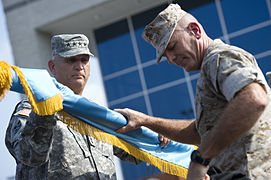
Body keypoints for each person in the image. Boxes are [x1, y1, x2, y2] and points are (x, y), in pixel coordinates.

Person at [115, 4, 271, 180]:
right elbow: (200, 132)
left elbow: (254, 99)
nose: (172, 59)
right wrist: (145, 121)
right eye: (166, 56)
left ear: (195, 30)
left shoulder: (218, 58)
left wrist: (200, 159)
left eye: (172, 46)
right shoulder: (208, 69)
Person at [5, 34, 146, 180]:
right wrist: (44, 112)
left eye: (84, 60)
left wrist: (158, 132)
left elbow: (137, 154)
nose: (79, 66)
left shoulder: (95, 115)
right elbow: (28, 155)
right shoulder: (33, 109)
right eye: (71, 60)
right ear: (53, 67)